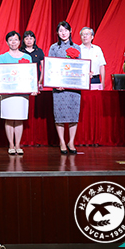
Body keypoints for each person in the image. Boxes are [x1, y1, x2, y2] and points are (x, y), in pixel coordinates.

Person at [0, 31, 37, 155]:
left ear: (20, 42)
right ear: (7, 42)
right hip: (7, 93)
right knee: (9, 119)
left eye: (15, 40)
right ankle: (11, 145)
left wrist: (33, 88)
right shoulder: (2, 57)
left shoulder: (27, 57)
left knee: (19, 119)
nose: (13, 42)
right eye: (10, 40)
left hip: (22, 93)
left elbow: (31, 75)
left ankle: (18, 145)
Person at [48, 21, 81, 155]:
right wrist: (56, 84)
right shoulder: (54, 48)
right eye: (61, 30)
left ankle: (71, 142)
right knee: (60, 117)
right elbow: (50, 67)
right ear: (57, 33)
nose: (63, 33)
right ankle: (62, 141)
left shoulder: (77, 47)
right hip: (59, 88)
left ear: (70, 31)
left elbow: (79, 67)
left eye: (66, 30)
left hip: (73, 88)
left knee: (73, 116)